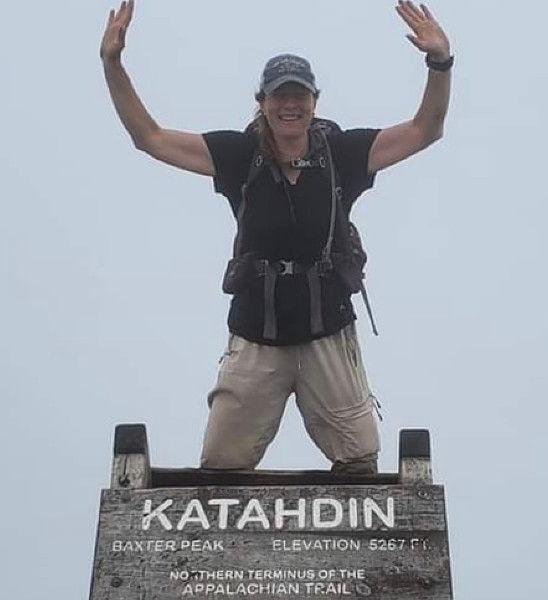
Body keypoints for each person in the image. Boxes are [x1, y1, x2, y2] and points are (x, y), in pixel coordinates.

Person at [100, 0, 452, 474]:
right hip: (255, 334)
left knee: (360, 459)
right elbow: (150, 137)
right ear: (262, 102)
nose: (290, 105)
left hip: (326, 329)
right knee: (221, 465)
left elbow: (426, 129)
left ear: (314, 101)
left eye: (299, 95)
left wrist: (439, 63)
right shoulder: (238, 154)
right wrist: (113, 63)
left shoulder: (343, 154)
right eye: (279, 95)